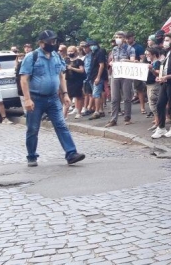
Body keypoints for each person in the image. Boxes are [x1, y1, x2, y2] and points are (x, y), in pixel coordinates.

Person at [19, 30, 86, 167]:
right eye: (49, 42)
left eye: (54, 41)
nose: (52, 44)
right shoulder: (32, 56)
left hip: (53, 98)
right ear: (41, 43)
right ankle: (31, 156)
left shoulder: (56, 56)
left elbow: (61, 75)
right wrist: (27, 99)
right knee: (33, 128)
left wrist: (66, 94)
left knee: (61, 125)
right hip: (35, 98)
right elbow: (24, 79)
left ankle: (71, 153)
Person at [106, 31, 136, 127]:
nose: (117, 38)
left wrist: (126, 60)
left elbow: (133, 60)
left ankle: (127, 118)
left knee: (127, 97)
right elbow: (112, 60)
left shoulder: (130, 48)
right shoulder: (114, 49)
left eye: (120, 37)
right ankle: (113, 119)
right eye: (116, 37)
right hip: (116, 74)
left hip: (126, 74)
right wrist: (111, 63)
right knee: (114, 98)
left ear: (124, 38)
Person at [127, 32, 148, 114]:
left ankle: (142, 107)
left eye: (129, 38)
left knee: (139, 89)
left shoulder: (138, 47)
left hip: (136, 70)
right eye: (126, 38)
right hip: (127, 71)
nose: (128, 40)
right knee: (127, 90)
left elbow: (142, 59)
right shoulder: (125, 48)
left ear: (133, 37)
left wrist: (138, 63)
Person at [87, 40, 108, 120]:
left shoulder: (100, 52)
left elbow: (101, 65)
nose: (91, 46)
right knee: (98, 93)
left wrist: (98, 77)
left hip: (97, 76)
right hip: (93, 76)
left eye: (92, 45)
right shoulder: (93, 53)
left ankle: (97, 111)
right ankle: (101, 110)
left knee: (96, 94)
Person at [64, 46, 86, 119]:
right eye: (69, 51)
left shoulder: (79, 61)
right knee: (68, 97)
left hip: (77, 80)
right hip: (69, 80)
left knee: (78, 96)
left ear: (75, 52)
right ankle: (64, 114)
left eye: (71, 51)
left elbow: (82, 70)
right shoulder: (66, 60)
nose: (70, 53)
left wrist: (72, 68)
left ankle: (79, 113)